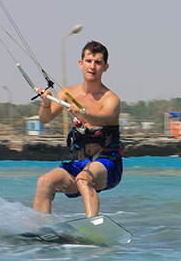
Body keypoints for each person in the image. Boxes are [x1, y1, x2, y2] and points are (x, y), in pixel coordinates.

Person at [34, 41, 122, 218]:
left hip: (108, 164)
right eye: (88, 61)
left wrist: (83, 114)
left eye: (98, 62)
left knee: (83, 178)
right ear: (81, 64)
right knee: (44, 182)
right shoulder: (68, 94)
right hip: (81, 163)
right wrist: (46, 102)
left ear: (105, 67)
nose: (92, 66)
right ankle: (40, 230)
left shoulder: (111, 98)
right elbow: (45, 119)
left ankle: (93, 226)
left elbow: (103, 118)